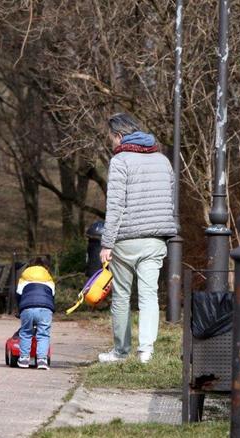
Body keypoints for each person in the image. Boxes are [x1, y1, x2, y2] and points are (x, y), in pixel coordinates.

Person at [98, 113, 177, 364]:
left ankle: (121, 352)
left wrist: (107, 243)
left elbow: (115, 205)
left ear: (119, 135)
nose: (111, 143)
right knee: (148, 294)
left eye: (111, 138)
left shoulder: (120, 160)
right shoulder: (163, 161)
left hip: (126, 239)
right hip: (155, 239)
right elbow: (170, 200)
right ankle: (146, 351)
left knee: (122, 296)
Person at [15, 258, 55, 370]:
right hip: (45, 308)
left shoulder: (24, 278)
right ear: (45, 268)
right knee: (43, 334)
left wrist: (19, 310)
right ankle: (42, 360)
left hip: (27, 308)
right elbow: (52, 296)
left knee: (26, 332)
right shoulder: (49, 279)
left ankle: (23, 359)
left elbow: (18, 295)